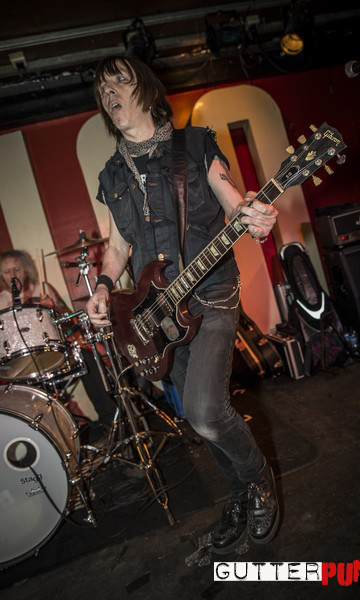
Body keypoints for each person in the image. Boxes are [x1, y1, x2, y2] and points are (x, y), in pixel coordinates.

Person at [86, 56, 280, 553]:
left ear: (147, 89)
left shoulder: (194, 144)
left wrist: (252, 215)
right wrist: (104, 286)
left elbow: (231, 198)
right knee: (197, 418)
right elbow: (118, 246)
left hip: (211, 293)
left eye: (119, 81)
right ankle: (240, 496)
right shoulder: (112, 174)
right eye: (102, 89)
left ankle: (258, 478)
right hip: (156, 315)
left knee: (206, 410)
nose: (109, 93)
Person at [0, 249, 115, 435]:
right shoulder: (1, 302)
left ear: (26, 270)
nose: (12, 275)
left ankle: (109, 421)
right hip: (23, 368)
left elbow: (70, 322)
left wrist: (54, 308)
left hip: (53, 356)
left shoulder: (42, 289)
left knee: (85, 357)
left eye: (17, 269)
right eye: (7, 271)